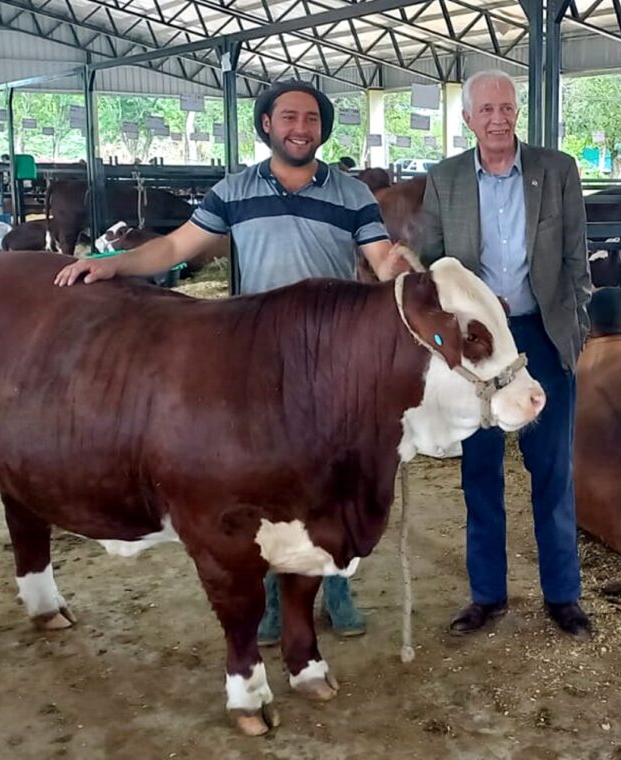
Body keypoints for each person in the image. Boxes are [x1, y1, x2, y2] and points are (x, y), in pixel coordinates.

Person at [55, 79, 412, 646]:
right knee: (263, 480)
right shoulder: (235, 190)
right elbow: (176, 247)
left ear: (323, 129)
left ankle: (336, 585)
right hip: (255, 360)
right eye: (289, 117)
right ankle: (268, 595)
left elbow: (380, 259)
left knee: (332, 474)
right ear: (267, 124)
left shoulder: (352, 195)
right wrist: (114, 264)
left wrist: (399, 268)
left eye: (311, 119)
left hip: (331, 361)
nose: (301, 128)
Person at [415, 69, 593, 641]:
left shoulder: (556, 170)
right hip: (478, 349)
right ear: (468, 118)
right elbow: (430, 265)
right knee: (480, 470)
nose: (498, 118)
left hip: (540, 334)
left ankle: (563, 595)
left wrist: (574, 331)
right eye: (486, 110)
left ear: (518, 111)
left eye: (506, 107)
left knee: (553, 467)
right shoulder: (444, 179)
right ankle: (487, 595)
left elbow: (577, 259)